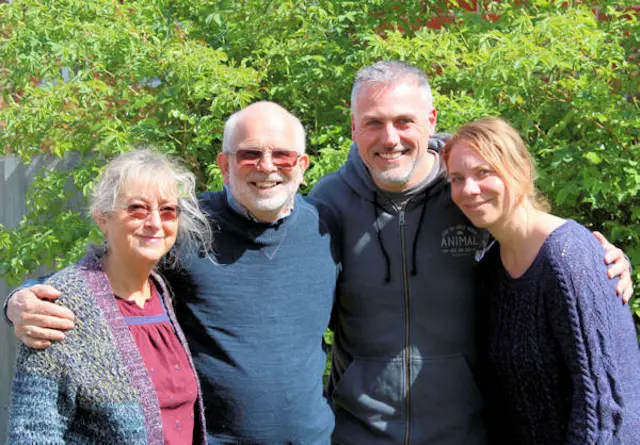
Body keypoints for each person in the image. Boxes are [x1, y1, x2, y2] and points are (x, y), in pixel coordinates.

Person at [309, 60, 633, 444]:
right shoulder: (328, 202)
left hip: (468, 433)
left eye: (404, 121)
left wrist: (593, 260)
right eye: (374, 122)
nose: (390, 138)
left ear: (430, 120)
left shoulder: (462, 187)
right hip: (359, 434)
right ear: (354, 127)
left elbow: (529, 235)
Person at [5, 101, 338, 444]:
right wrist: (18, 300)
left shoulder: (328, 229)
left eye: (282, 155)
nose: (267, 167)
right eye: (250, 154)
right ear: (225, 165)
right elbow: (102, 273)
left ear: (302, 165)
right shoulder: (188, 226)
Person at [443, 117, 640, 444]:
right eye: (456, 178)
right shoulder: (491, 268)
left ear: (520, 170)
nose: (469, 190)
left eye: (484, 172)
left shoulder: (570, 256)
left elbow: (611, 410)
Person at [7, 150, 210, 444]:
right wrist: (13, 303)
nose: (155, 222)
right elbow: (33, 432)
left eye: (168, 211)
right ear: (103, 219)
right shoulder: (63, 305)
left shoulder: (162, 292)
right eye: (138, 209)